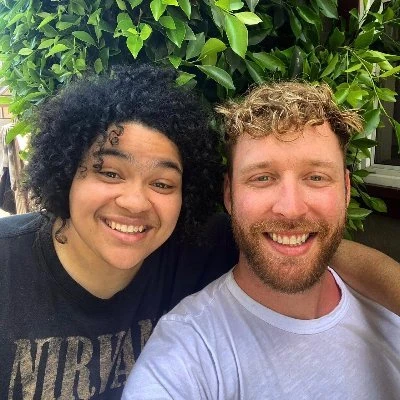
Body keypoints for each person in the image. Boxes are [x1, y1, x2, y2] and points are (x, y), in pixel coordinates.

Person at [122, 81, 400, 400]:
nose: (290, 208)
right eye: (262, 178)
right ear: (229, 195)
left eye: (316, 177)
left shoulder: (387, 305)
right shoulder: (185, 356)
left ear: (346, 190)